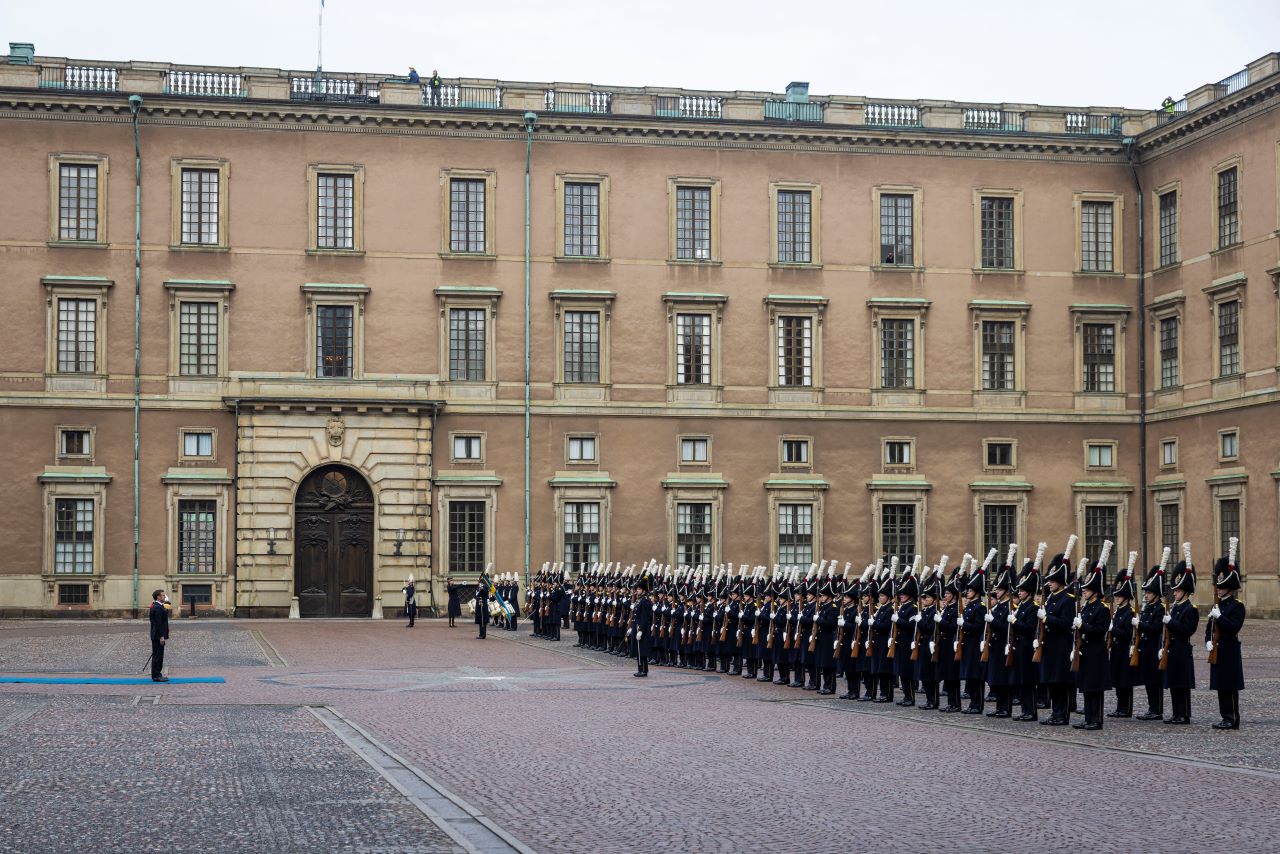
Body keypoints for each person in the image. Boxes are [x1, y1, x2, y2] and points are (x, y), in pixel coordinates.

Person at [1072, 556, 1112, 730]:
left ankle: (1097, 719)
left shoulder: (1102, 609)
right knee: (1087, 686)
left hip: (1096, 651)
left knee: (1095, 688)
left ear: (1095, 591)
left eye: (1087, 590)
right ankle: (1088, 717)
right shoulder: (1086, 606)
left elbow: (1099, 631)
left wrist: (1083, 626)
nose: (1084, 592)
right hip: (1086, 650)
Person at [1208, 546, 1245, 730]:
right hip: (1217, 649)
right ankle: (1225, 716)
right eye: (1218, 586)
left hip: (1229, 649)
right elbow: (1210, 627)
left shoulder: (1237, 606)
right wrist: (1208, 640)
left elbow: (1233, 627)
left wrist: (1219, 617)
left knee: (1229, 686)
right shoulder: (1218, 605)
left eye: (1222, 587)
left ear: (1229, 588)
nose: (1219, 589)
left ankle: (1232, 718)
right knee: (1221, 685)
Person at [1038, 553, 1076, 726]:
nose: (1049, 583)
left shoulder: (1067, 599)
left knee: (1061, 683)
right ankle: (1055, 712)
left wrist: (1047, 619)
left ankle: (1063, 714)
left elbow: (1066, 623)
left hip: (1061, 647)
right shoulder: (1051, 598)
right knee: (1052, 682)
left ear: (1060, 581)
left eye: (1052, 581)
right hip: (1049, 645)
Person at [1162, 556, 1199, 725]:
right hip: (1172, 648)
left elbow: (1187, 630)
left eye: (1177, 590)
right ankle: (1176, 713)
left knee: (1182, 684)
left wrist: (1171, 622)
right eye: (1174, 590)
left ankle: (1184, 714)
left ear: (1185, 591)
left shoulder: (1190, 609)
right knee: (1174, 682)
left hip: (1182, 649)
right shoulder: (1176, 608)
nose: (1174, 593)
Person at [1135, 562, 1168, 720]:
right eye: (1146, 592)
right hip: (1146, 648)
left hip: (1154, 647)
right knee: (1149, 680)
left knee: (1155, 681)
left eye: (1149, 592)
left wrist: (1140, 625)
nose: (1146, 595)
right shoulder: (1148, 608)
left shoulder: (1160, 609)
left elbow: (1155, 629)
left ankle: (1157, 709)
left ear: (1156, 594)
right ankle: (1151, 707)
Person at [1107, 567, 1137, 718]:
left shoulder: (1129, 612)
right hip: (1117, 650)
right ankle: (1120, 706)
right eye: (1116, 596)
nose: (1117, 598)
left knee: (1125, 681)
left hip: (1125, 649)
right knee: (1118, 680)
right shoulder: (1118, 611)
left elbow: (1127, 634)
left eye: (1119, 596)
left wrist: (1114, 630)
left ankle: (1126, 708)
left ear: (1126, 597)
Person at [632, 578, 653, 677]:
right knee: (639, 649)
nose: (637, 591)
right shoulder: (640, 600)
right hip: (637, 626)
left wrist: (640, 630)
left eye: (639, 589)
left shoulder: (644, 601)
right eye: (637, 589)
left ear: (644, 590)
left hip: (642, 627)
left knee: (642, 650)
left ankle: (643, 670)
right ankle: (642, 669)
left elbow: (644, 617)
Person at [148, 588, 170, 682]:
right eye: (163, 595)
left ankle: (157, 674)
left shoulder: (158, 606)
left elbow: (165, 612)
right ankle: (156, 676)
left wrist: (167, 602)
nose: (164, 597)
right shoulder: (157, 607)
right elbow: (158, 623)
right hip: (158, 635)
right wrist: (161, 636)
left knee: (158, 655)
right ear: (158, 597)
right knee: (158, 656)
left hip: (157, 635)